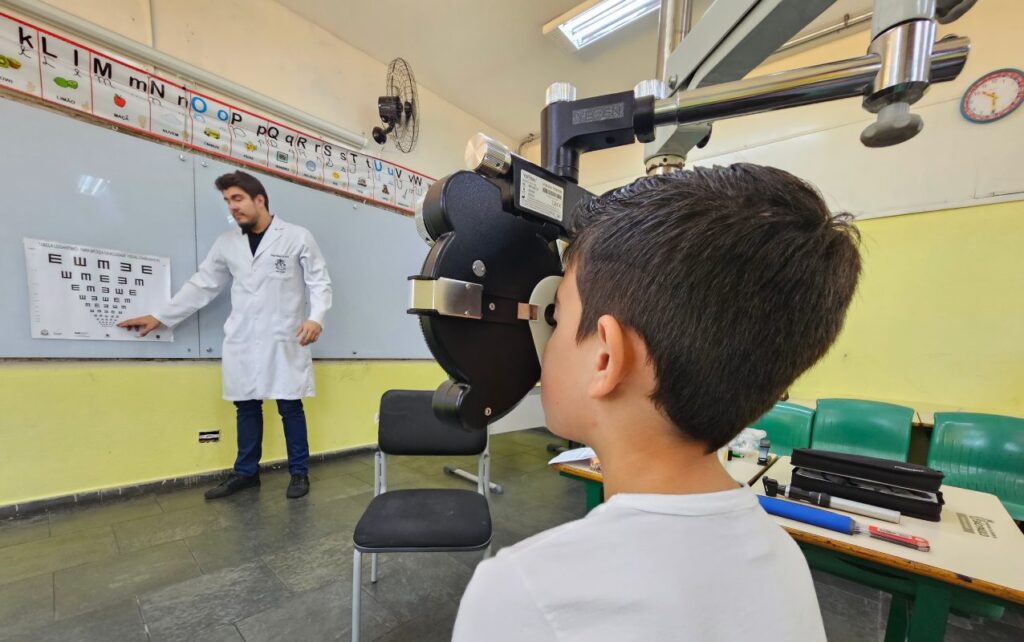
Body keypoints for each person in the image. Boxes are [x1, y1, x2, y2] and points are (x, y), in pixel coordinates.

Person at [452, 164, 862, 640]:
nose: (546, 337)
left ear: (606, 358)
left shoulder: (523, 593)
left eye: (556, 317)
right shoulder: (784, 556)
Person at [119, 170, 332, 500]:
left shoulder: (296, 237)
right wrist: (160, 316)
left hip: (284, 336)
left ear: (259, 199)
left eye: (237, 199)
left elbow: (319, 281)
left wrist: (316, 318)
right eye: (227, 201)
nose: (232, 207)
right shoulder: (227, 242)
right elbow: (203, 285)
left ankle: (298, 472)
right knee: (246, 407)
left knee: (290, 406)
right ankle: (246, 473)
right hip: (242, 338)